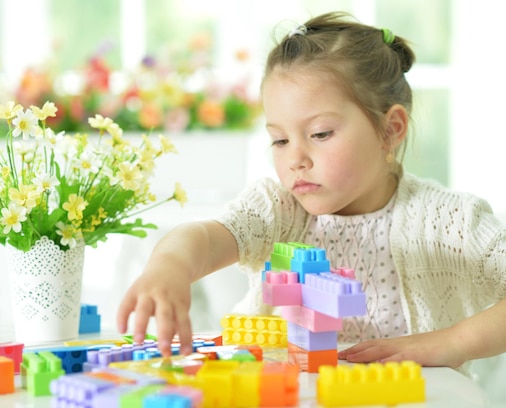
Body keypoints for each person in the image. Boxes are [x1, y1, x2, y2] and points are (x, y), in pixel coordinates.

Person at [116, 11, 506, 373]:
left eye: (320, 134)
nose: (296, 159)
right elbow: (202, 237)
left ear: (390, 130)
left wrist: (450, 343)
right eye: (280, 140)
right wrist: (170, 265)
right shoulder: (278, 209)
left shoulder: (452, 221)